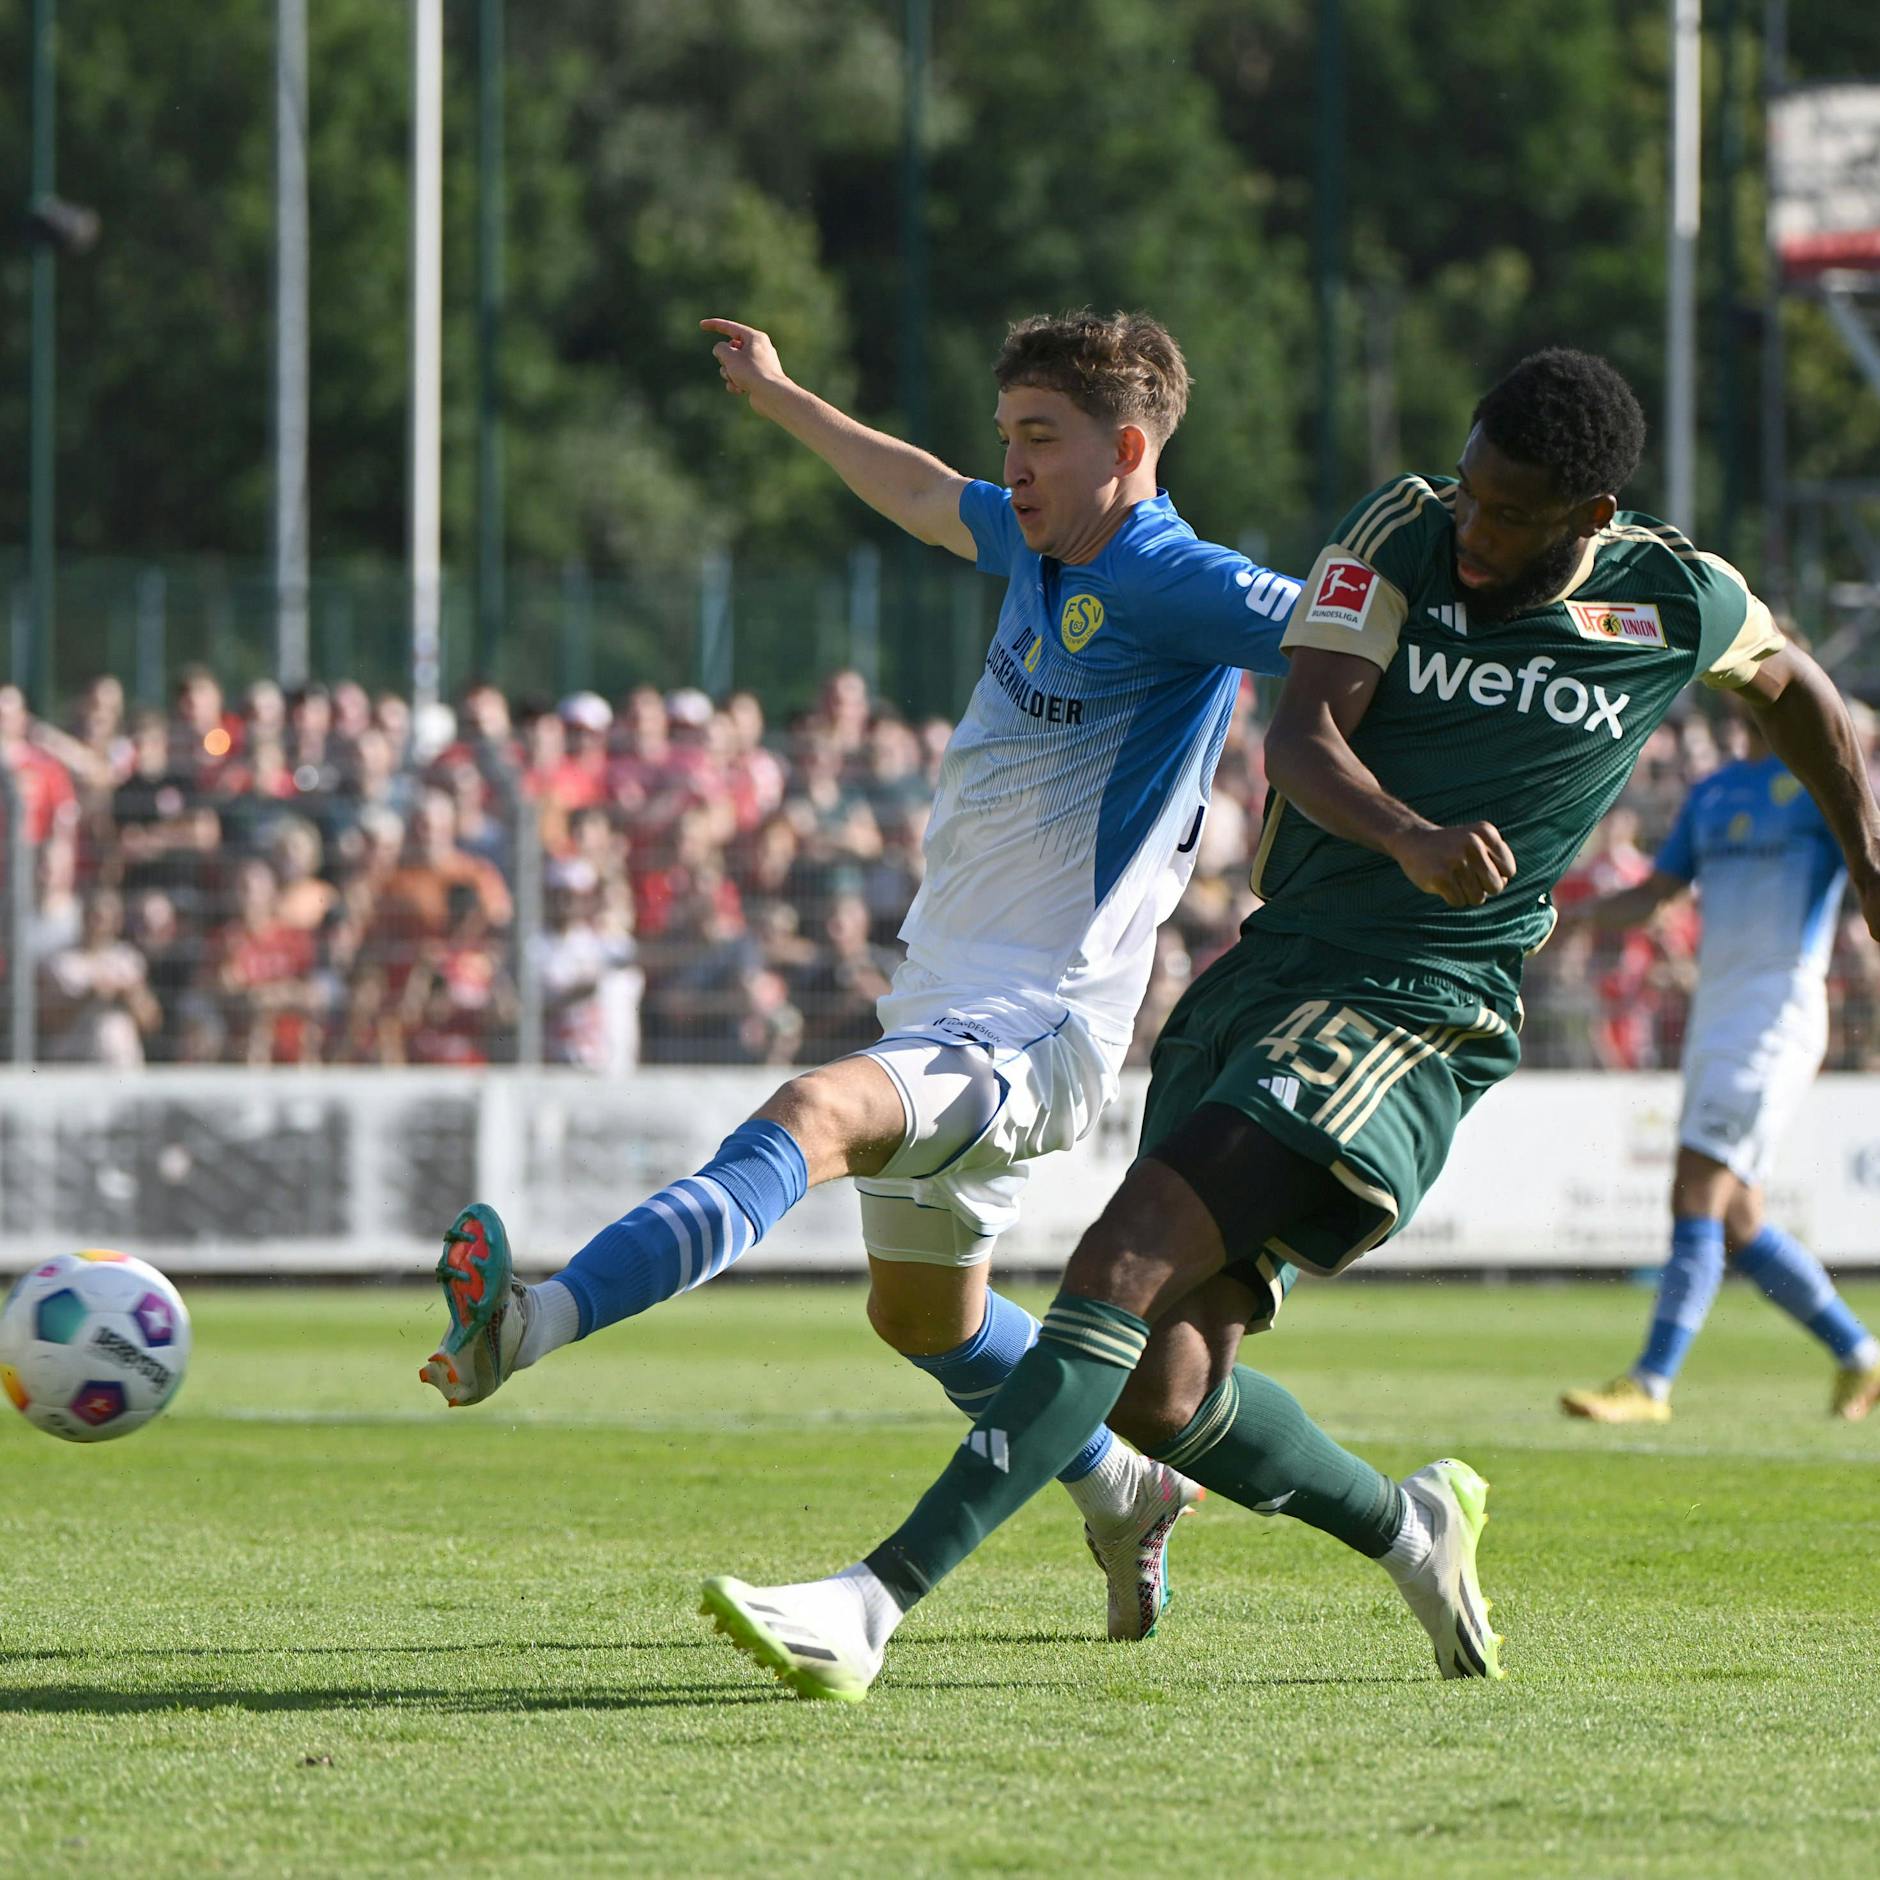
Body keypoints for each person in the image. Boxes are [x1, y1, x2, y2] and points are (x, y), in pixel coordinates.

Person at [694, 347, 1880, 1703]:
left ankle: (869, 1603)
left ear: (1591, 521)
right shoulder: (1396, 534)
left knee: (1120, 1266)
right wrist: (1407, 829)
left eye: (1508, 515)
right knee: (1161, 1392)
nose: (1472, 533)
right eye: (1469, 494)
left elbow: (1798, 692)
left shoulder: (1677, 595)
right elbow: (1305, 741)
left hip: (1417, 1001)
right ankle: (1410, 1526)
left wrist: (1870, 860)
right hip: (1273, 973)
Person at [420, 307, 1303, 1643]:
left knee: (809, 1115)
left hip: (1041, 1021)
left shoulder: (1181, 580)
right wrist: (780, 397)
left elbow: (1345, 642)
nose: (1008, 467)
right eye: (1005, 435)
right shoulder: (1039, 539)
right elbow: (910, 487)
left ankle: (530, 1326)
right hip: (949, 1004)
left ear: (1129, 447)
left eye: (1039, 440)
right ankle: (1126, 1491)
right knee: (925, 1321)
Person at [1559, 712, 1880, 1423]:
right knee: (1739, 1220)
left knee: (1697, 1184)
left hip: (1777, 1013)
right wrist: (1567, 915)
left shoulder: (1827, 788)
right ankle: (1861, 1354)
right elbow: (1654, 895)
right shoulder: (1713, 793)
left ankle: (1651, 1382)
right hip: (1716, 1013)